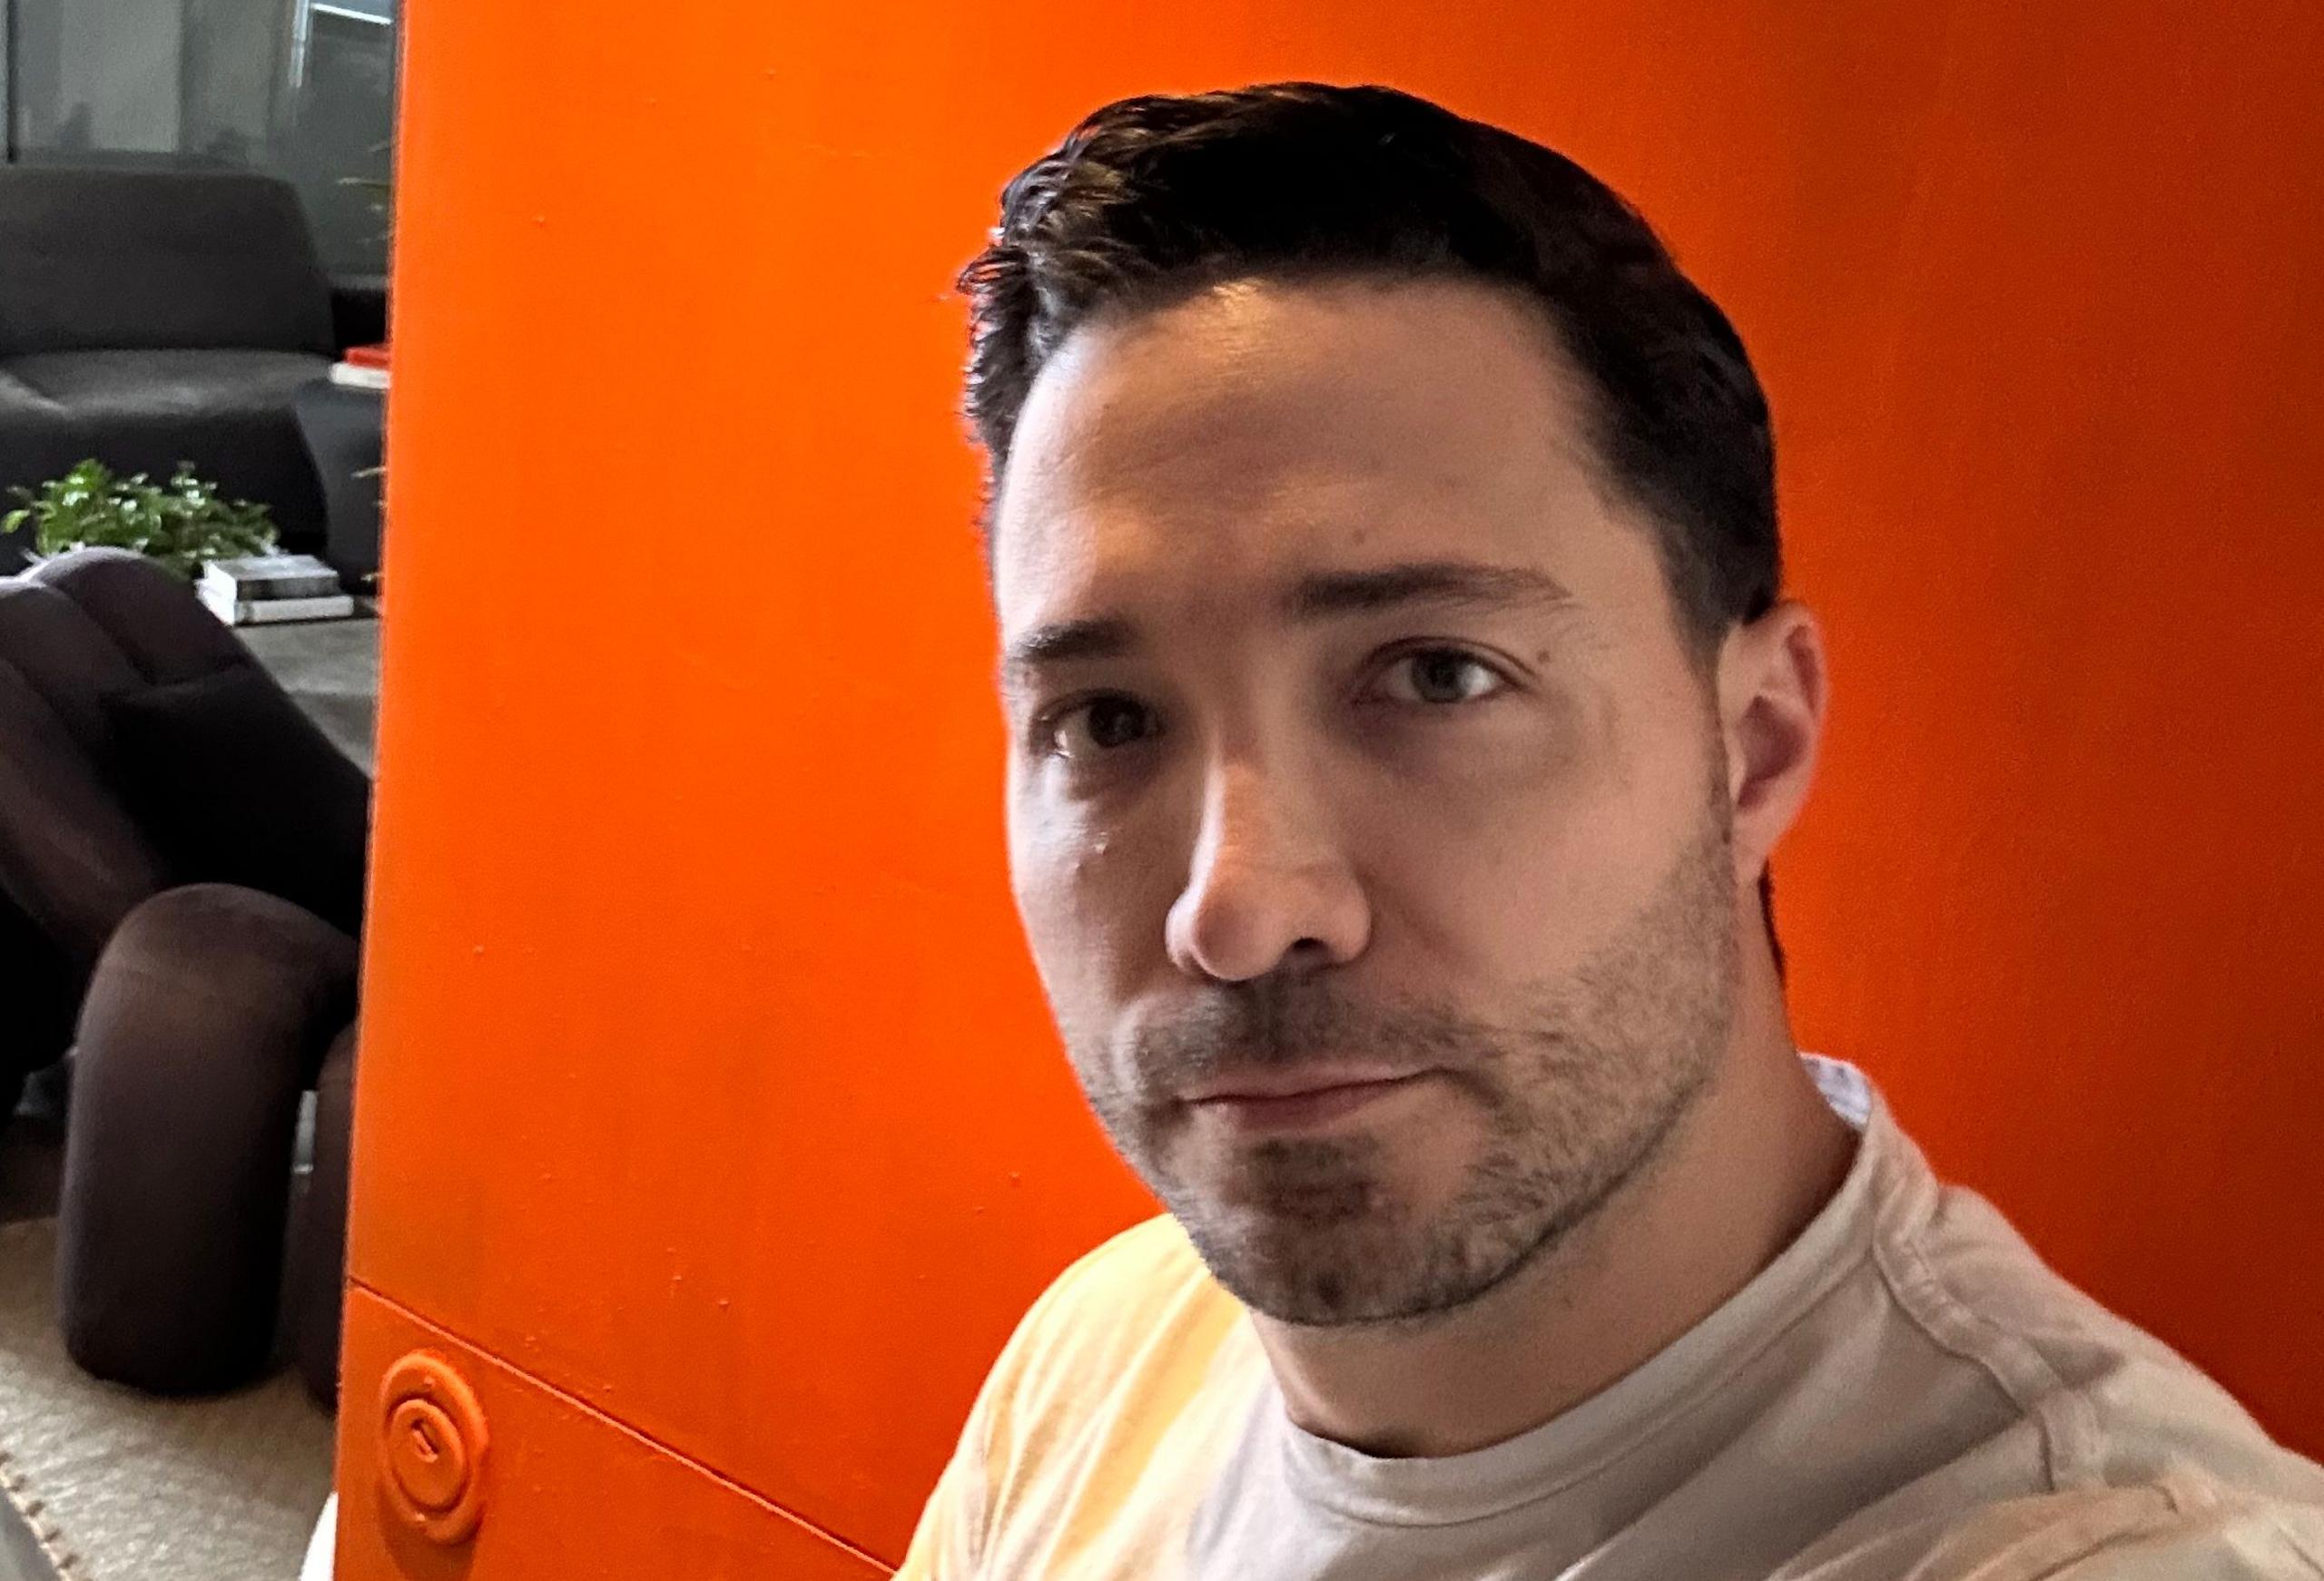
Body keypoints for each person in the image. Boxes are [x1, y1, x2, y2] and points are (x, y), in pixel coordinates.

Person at [898, 83, 2324, 1579]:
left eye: (1437, 675)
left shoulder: (2102, 1554)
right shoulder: (1106, 1362)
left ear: (1754, 744)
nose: (1242, 906)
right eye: (1109, 721)